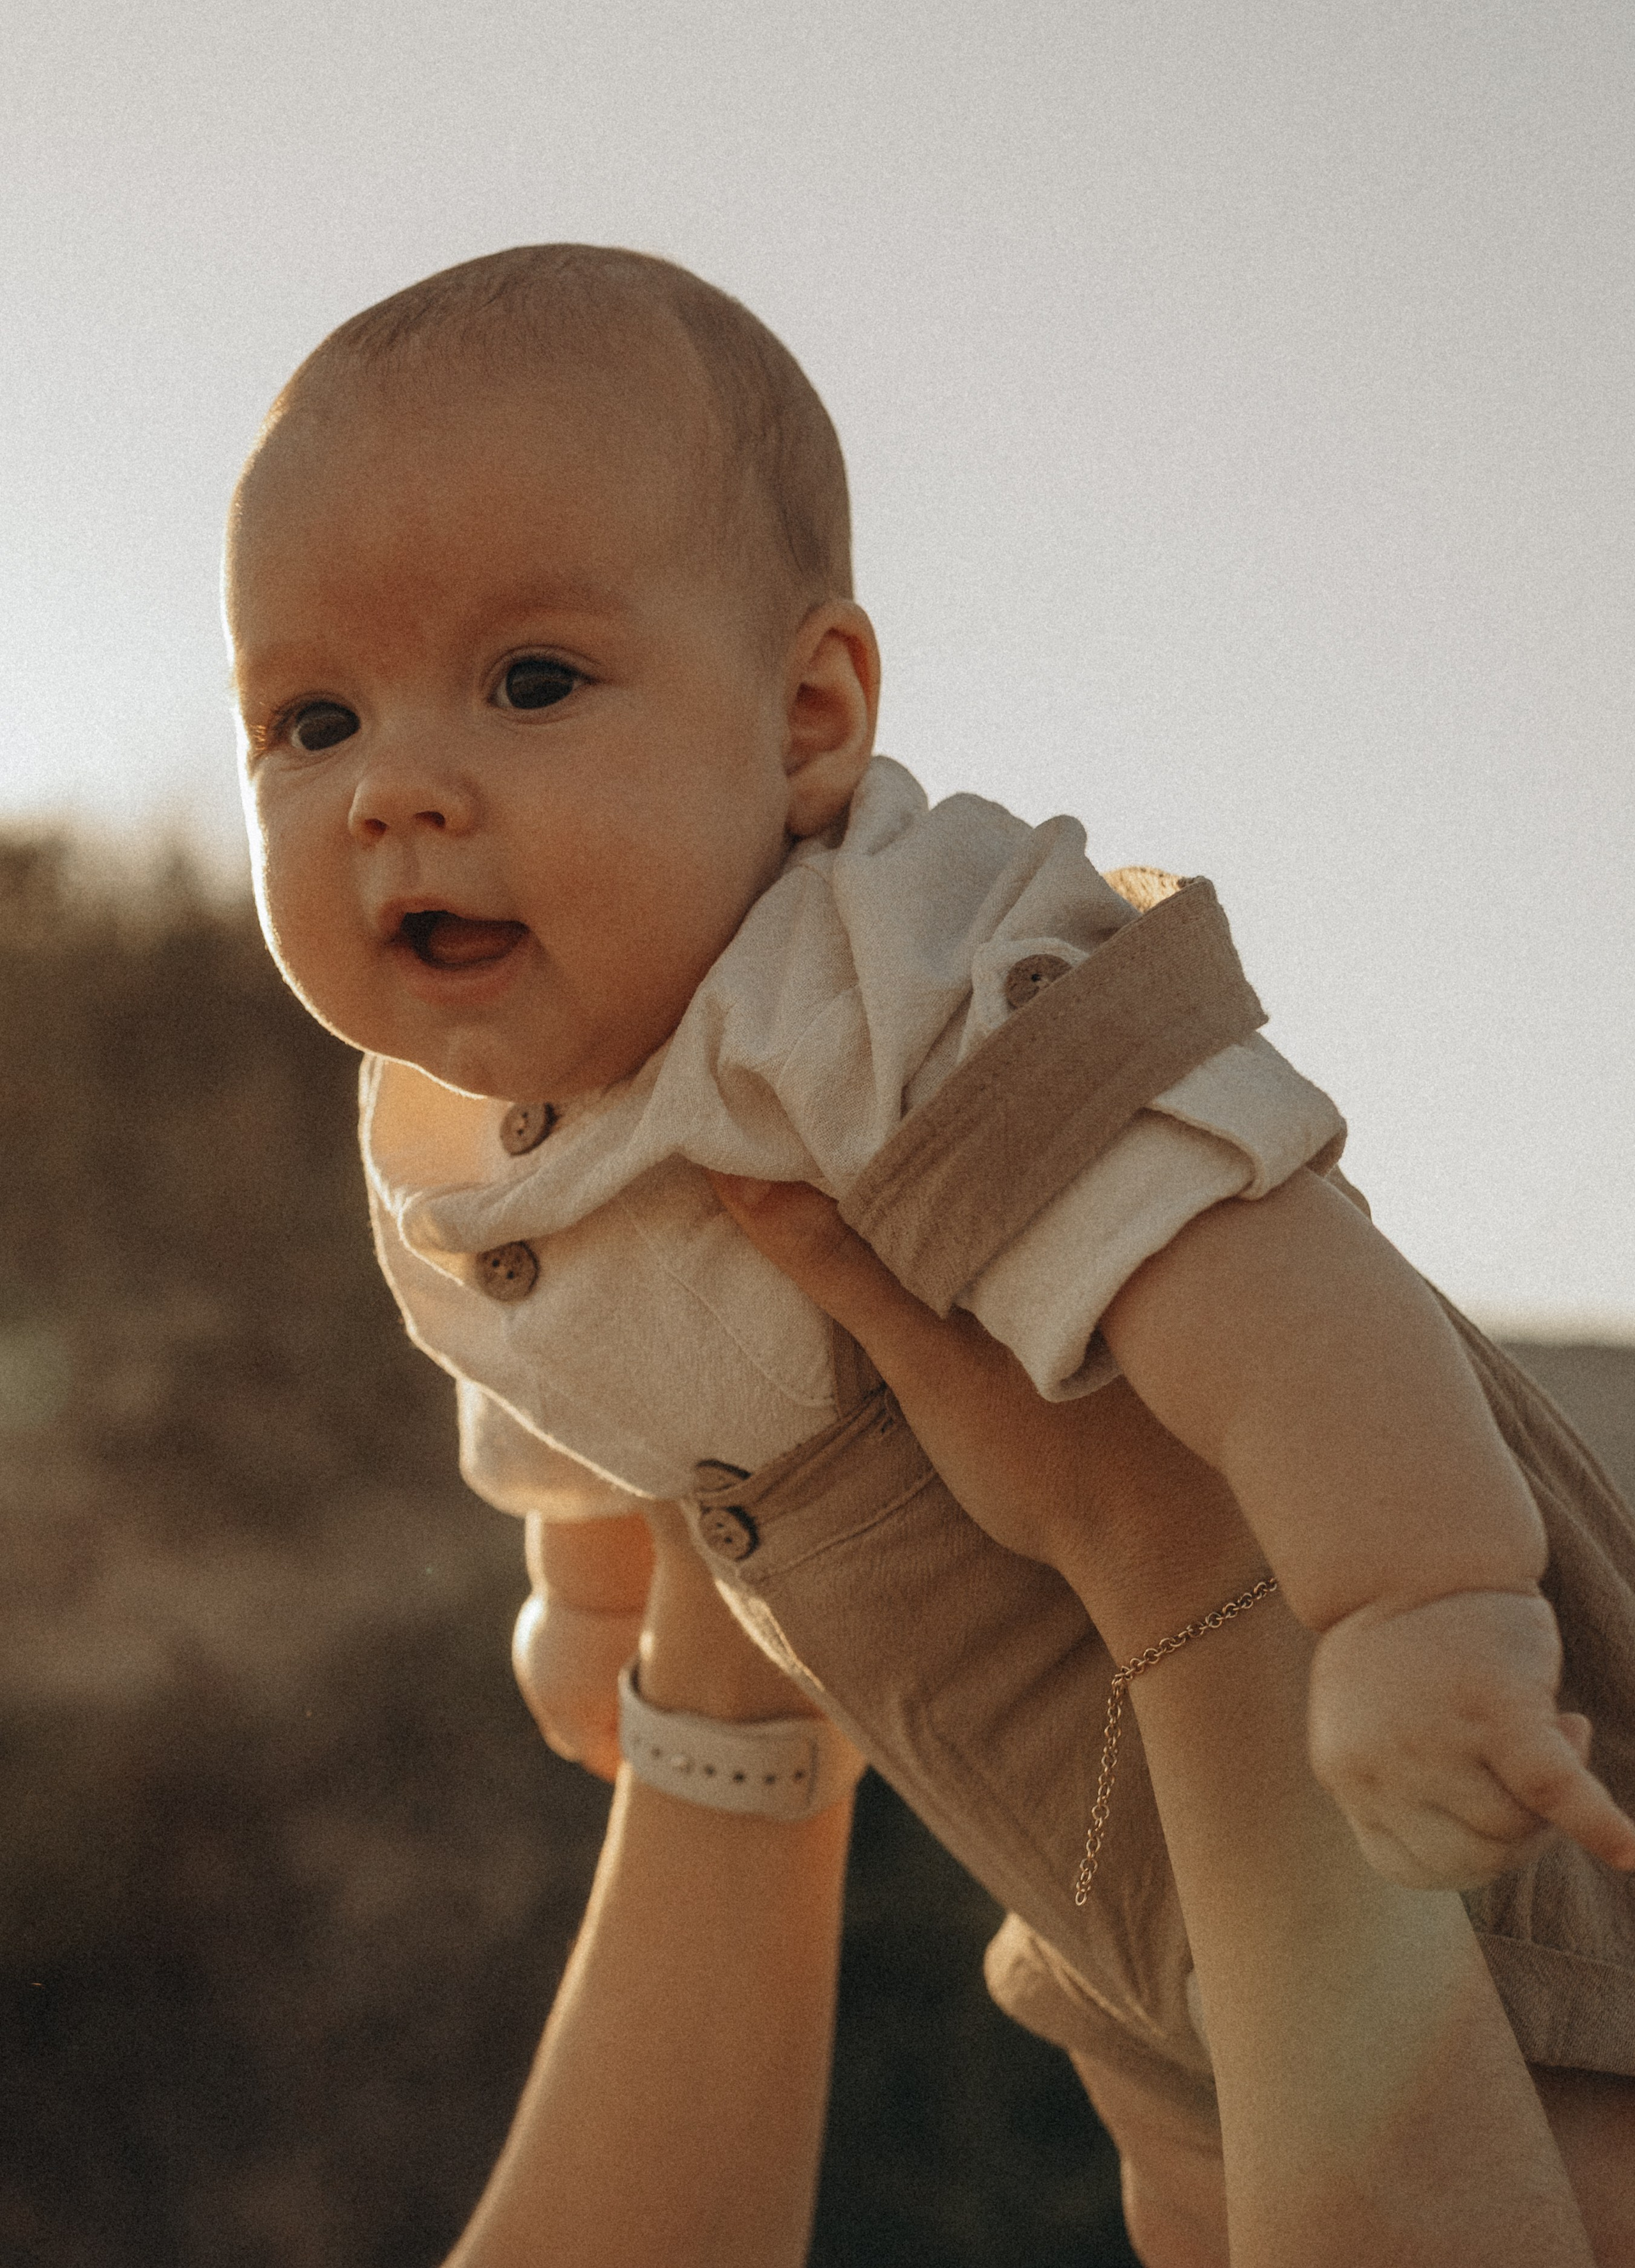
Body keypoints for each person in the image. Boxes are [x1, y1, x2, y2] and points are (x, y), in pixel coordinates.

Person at [224, 243, 1635, 2249]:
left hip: (1377, 1727)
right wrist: (592, 1592)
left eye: (530, 682)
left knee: (1541, 2149)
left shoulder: (900, 974)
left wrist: (1425, 1602)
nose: (397, 794)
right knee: (1198, 2165)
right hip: (1079, 1826)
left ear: (808, 722)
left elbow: (1275, 1265)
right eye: (310, 720)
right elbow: (580, 1377)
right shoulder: (466, 1108)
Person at [450, 1203, 1627, 2267]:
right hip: (1154, 1822)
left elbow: (1249, 1206)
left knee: (1553, 2142)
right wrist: (1178, 1573)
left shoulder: (858, 1006)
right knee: (1201, 2172)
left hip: (1329, 1808)